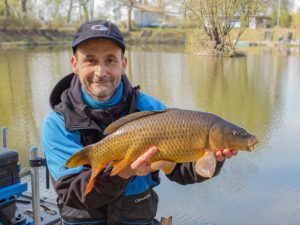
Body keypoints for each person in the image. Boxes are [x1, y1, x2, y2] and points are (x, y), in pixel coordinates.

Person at [42, 20, 237, 225]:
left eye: (110, 60)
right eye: (90, 60)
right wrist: (125, 171)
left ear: (123, 64)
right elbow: (74, 194)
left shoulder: (151, 109)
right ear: (75, 64)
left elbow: (182, 171)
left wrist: (212, 157)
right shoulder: (57, 123)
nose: (101, 72)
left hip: (137, 219)